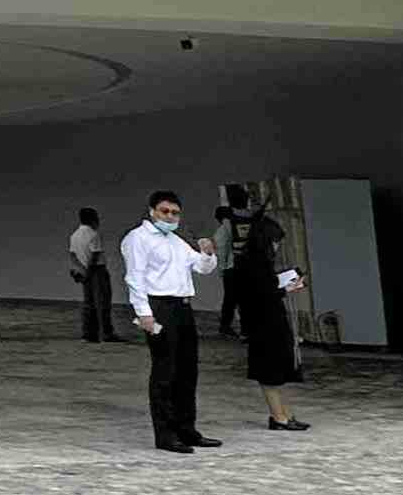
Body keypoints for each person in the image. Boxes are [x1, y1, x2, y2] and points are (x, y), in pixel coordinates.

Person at [120, 189, 221, 453]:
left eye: (175, 213)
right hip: (159, 307)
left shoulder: (176, 241)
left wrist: (208, 253)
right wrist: (144, 312)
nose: (170, 216)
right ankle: (165, 434)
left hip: (182, 306)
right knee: (165, 370)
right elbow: (135, 277)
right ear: (152, 211)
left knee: (187, 370)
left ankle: (186, 429)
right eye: (164, 211)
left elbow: (202, 267)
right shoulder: (138, 238)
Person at [218, 184, 309, 430]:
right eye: (275, 242)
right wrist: (287, 289)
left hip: (269, 321)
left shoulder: (254, 262)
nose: (277, 247)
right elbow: (260, 295)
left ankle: (285, 414)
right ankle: (279, 417)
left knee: (278, 371)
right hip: (263, 324)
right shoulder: (253, 264)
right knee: (270, 372)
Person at [67, 206, 113, 343]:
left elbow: (73, 255)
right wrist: (89, 271)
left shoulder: (74, 235)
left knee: (89, 303)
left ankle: (88, 334)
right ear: (93, 219)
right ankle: (106, 333)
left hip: (84, 270)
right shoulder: (93, 234)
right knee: (103, 303)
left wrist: (81, 269)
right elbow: (95, 255)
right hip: (97, 271)